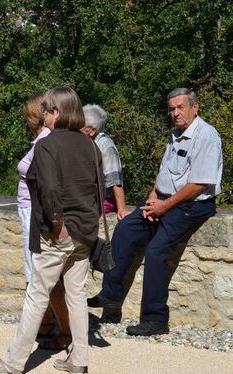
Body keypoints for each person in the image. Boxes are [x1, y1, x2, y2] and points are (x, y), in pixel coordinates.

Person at [0, 87, 101, 374]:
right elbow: (97, 188)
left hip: (60, 233)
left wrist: (57, 224)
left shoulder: (47, 145)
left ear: (56, 112)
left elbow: (49, 192)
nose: (42, 114)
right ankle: (79, 359)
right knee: (77, 295)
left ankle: (12, 363)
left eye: (45, 109)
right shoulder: (90, 144)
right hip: (86, 231)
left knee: (37, 295)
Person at [88, 88, 222, 336]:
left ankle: (155, 319)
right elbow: (165, 173)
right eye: (172, 109)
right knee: (126, 228)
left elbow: (199, 183)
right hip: (165, 201)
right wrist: (152, 198)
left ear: (195, 107)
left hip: (191, 205)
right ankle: (111, 296)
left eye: (181, 107)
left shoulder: (206, 136)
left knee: (157, 250)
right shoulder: (175, 136)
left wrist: (164, 205)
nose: (176, 113)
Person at [18, 95, 70, 352]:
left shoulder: (45, 141)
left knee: (44, 274)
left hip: (36, 213)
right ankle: (47, 325)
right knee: (38, 274)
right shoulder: (42, 140)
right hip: (30, 211)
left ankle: (64, 328)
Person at [81, 104, 129, 220]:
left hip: (104, 201)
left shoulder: (105, 145)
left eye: (80, 125)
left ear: (92, 131)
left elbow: (114, 179)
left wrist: (121, 208)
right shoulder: (85, 144)